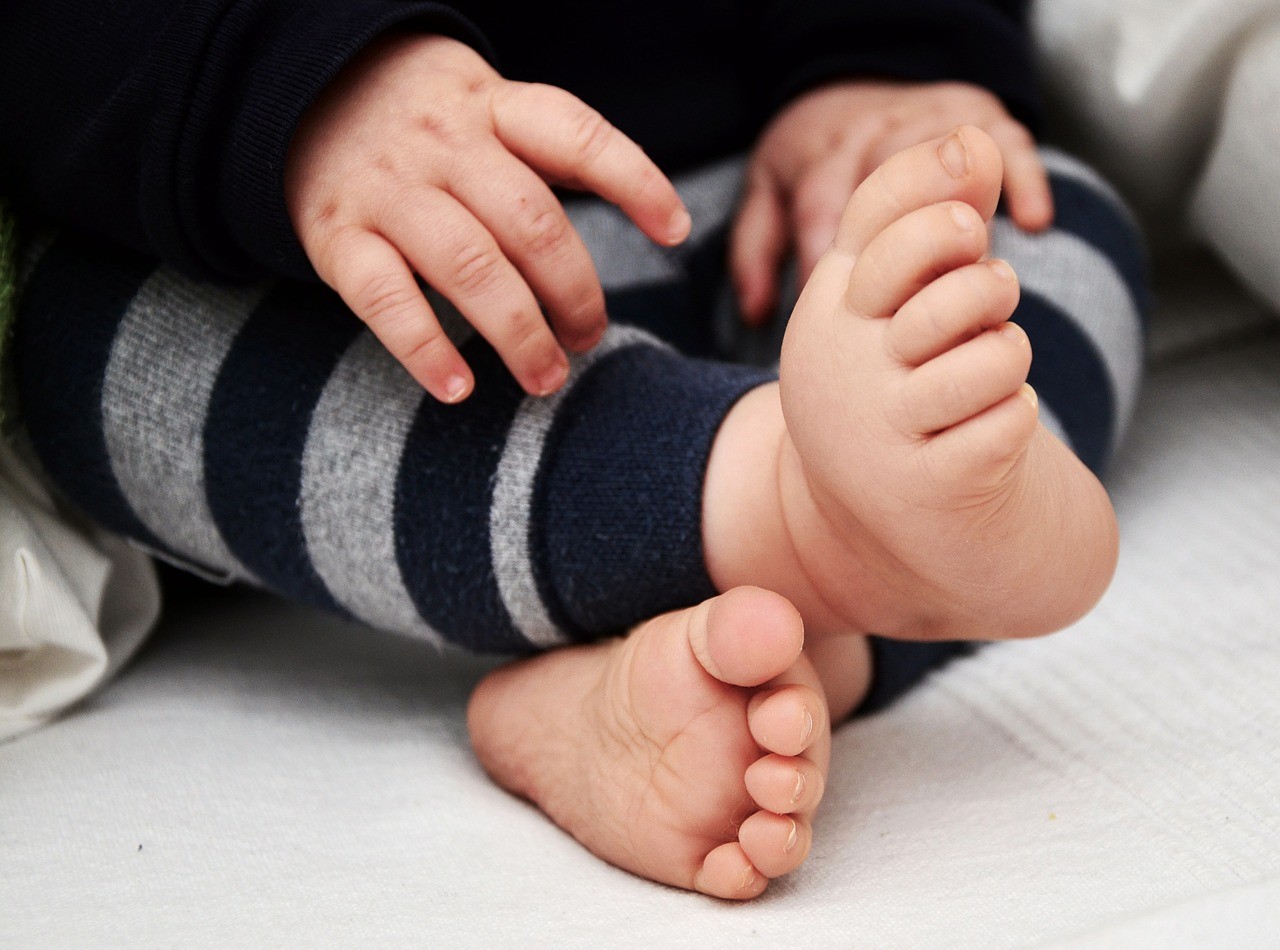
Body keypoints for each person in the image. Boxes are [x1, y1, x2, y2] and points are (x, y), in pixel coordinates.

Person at [0, 1, 1146, 899]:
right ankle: (793, 521)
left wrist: (878, 61)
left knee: (1036, 215)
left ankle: (799, 634)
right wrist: (298, 90)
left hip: (743, 213)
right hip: (339, 270)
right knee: (81, 332)